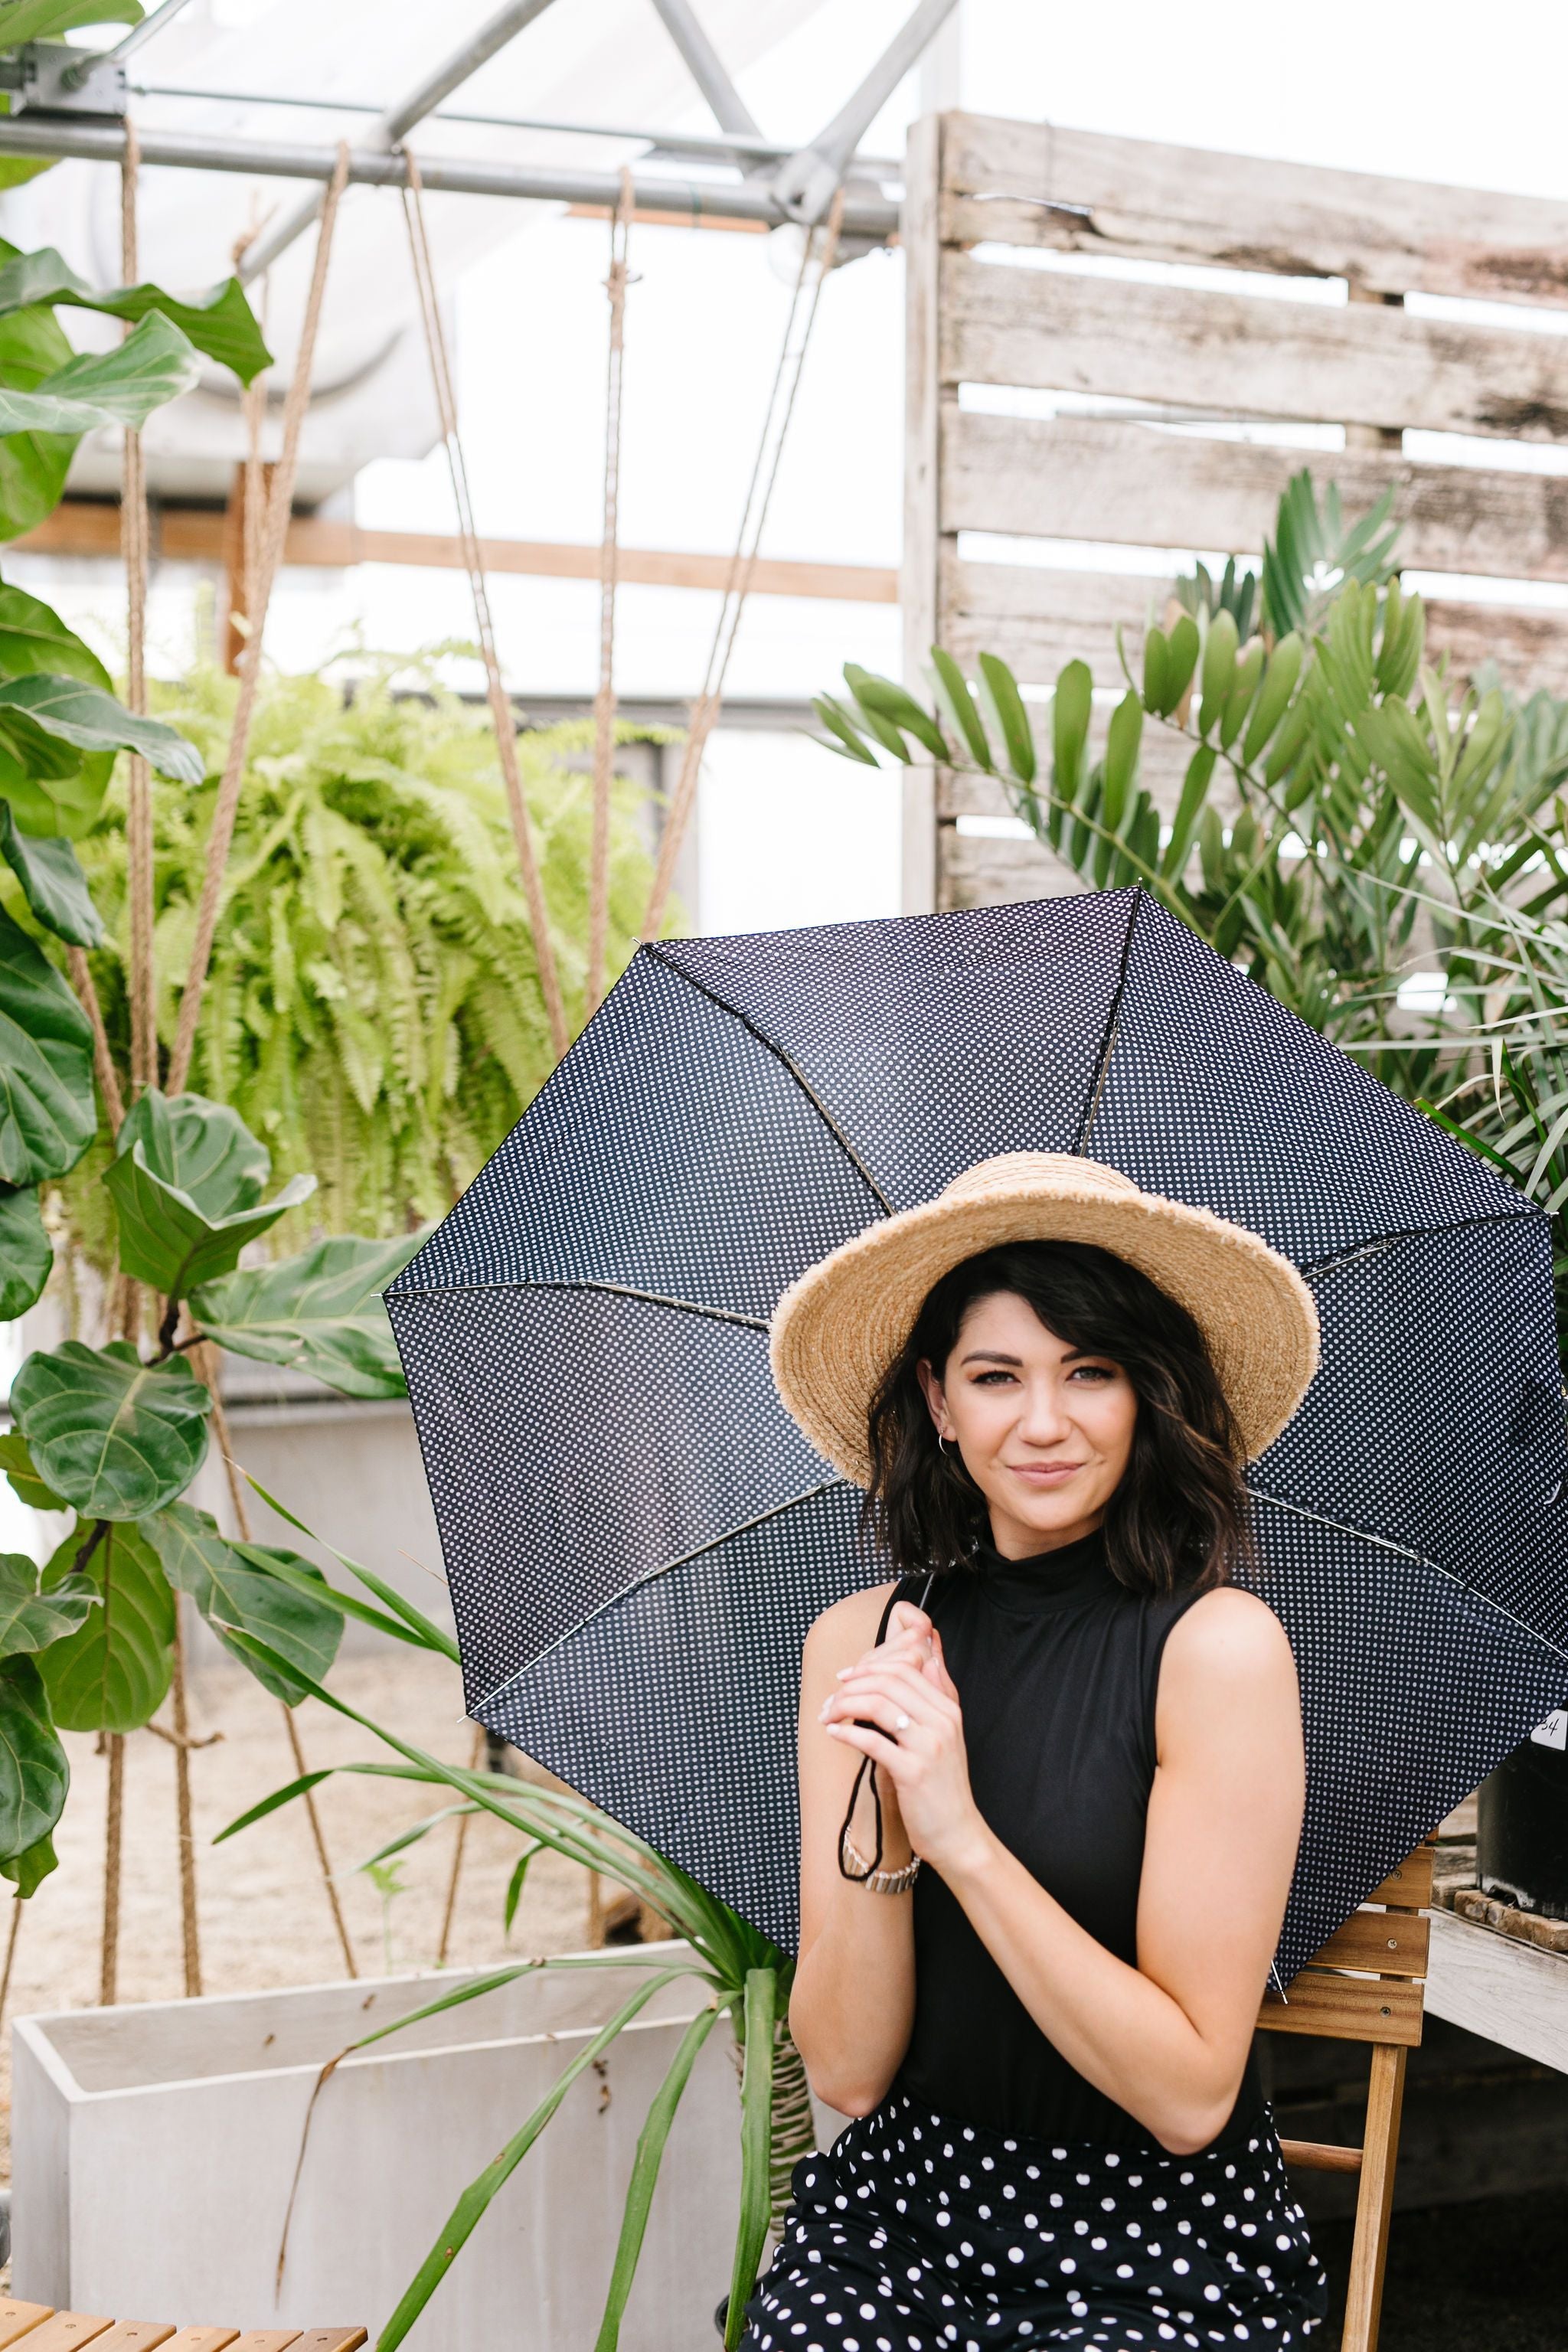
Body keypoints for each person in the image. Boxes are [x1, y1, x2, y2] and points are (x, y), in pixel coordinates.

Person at [747, 1152, 1331, 2352]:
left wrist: (960, 1834)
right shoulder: (863, 1644)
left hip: (1152, 2241)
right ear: (939, 1402)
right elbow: (850, 2079)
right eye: (997, 1376)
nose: (1047, 1423)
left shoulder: (1217, 1653)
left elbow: (1186, 2097)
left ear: (1148, 1396)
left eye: (1091, 1372)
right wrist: (892, 1825)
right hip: (904, 2215)